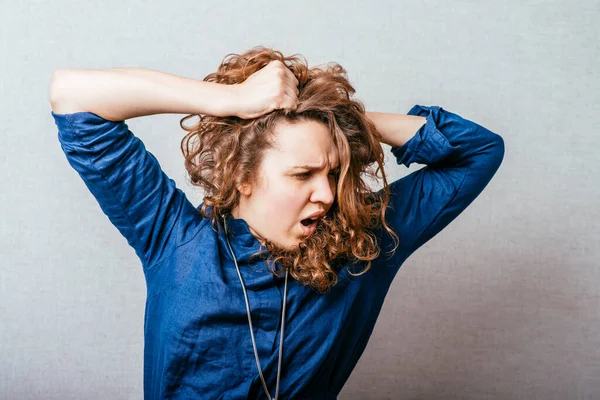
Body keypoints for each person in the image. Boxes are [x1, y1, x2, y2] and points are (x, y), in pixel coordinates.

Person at [49, 46, 505, 399]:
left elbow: (479, 151)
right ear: (243, 177)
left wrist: (342, 118)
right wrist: (230, 99)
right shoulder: (174, 239)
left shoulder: (362, 251)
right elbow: (73, 97)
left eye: (331, 173)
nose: (326, 194)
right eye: (302, 174)